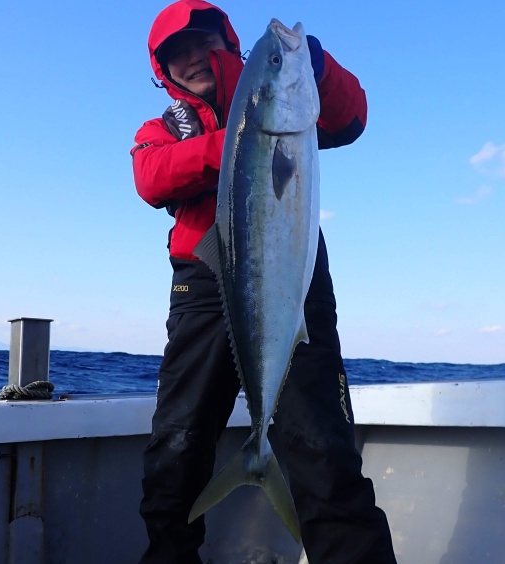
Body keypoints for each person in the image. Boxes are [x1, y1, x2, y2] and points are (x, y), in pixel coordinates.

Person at [130, 1, 397, 562]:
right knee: (175, 454)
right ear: (163, 71)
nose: (192, 59)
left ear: (227, 43)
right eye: (177, 54)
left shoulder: (288, 100)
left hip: (293, 283)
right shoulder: (163, 129)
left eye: (202, 42)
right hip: (202, 289)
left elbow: (350, 117)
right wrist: (242, 137)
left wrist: (315, 65)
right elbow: (152, 177)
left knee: (325, 455)